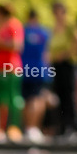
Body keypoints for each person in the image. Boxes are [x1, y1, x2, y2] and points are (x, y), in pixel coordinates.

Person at [48, 1, 77, 138]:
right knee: (59, 95)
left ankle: (72, 126)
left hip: (68, 64)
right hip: (56, 65)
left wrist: (65, 54)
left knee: (69, 94)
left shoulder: (70, 26)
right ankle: (62, 126)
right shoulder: (54, 28)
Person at [0, 3, 24, 143]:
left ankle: (13, 127)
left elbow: (17, 45)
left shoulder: (14, 25)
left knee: (12, 98)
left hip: (11, 67)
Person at [21, 9, 50, 144]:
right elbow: (47, 53)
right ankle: (34, 128)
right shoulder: (44, 33)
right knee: (37, 99)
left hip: (25, 69)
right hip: (39, 69)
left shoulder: (23, 31)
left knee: (27, 100)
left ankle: (28, 128)